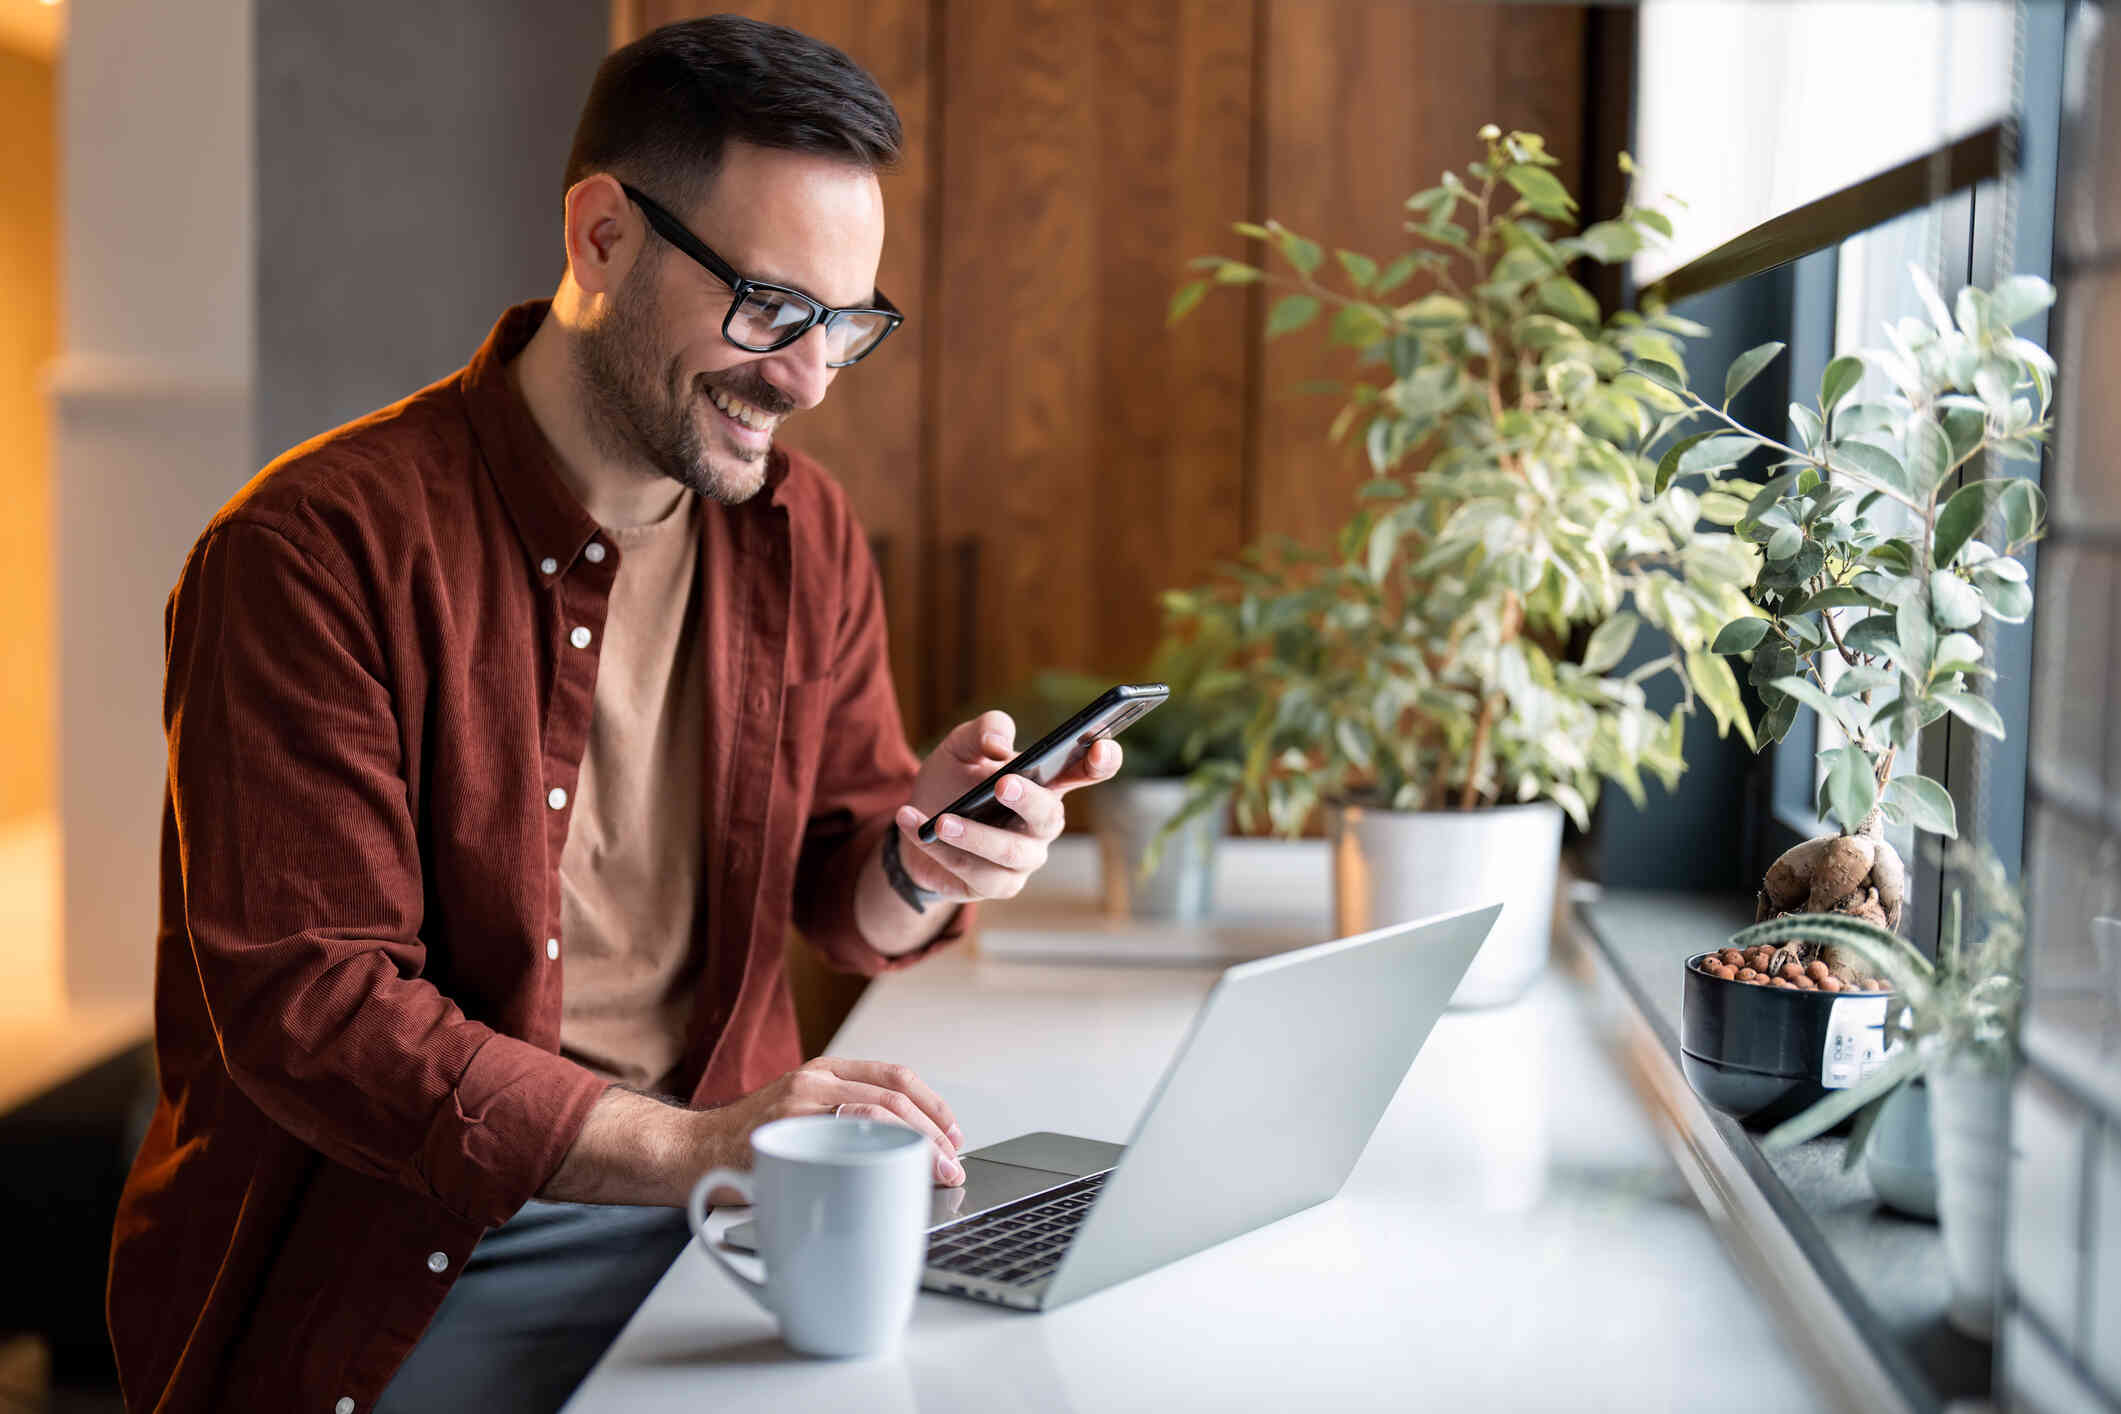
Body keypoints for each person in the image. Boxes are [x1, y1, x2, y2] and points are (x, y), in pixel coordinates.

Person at [104, 16, 1119, 1412]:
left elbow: (839, 896)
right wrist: (705, 1147)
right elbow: (316, 1011)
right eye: (771, 309)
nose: (809, 378)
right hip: (418, 1259)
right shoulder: (309, 554)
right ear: (599, 238)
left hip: (724, 1204)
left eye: (846, 324)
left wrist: (919, 855)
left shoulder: (798, 531)